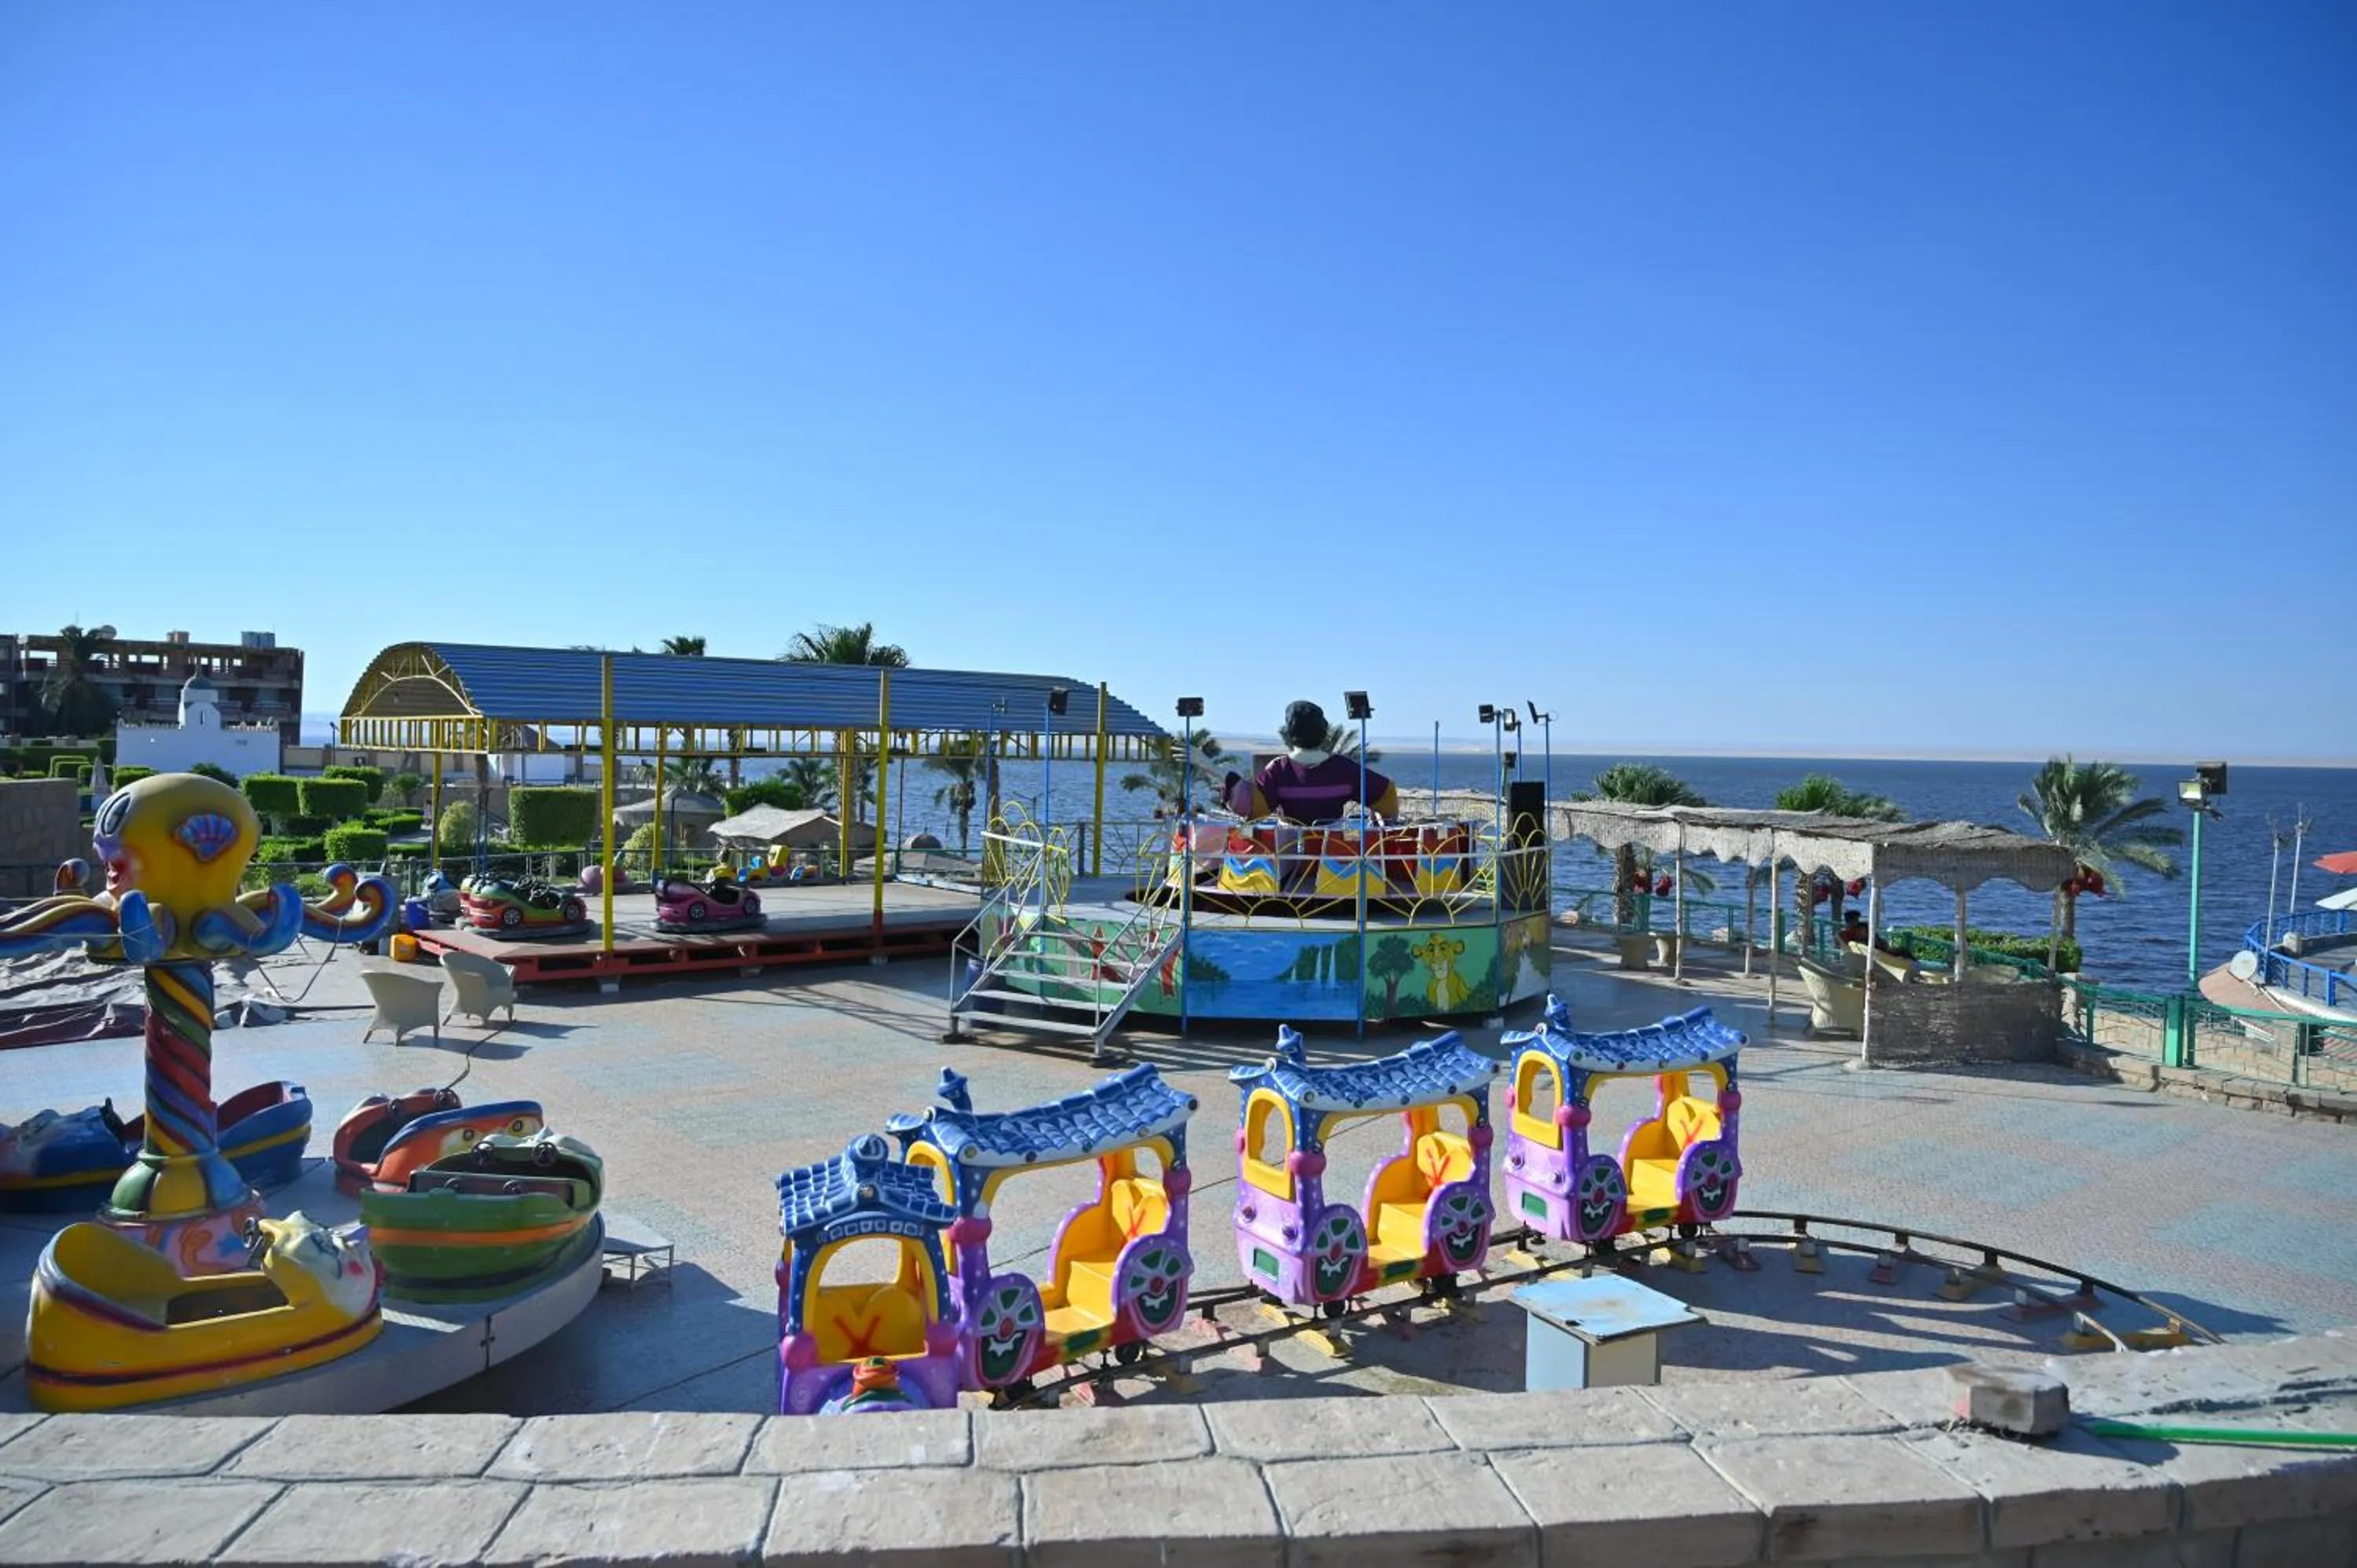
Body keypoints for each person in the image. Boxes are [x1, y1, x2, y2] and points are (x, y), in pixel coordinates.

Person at [1222, 699, 1400, 825]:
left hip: (1288, 848)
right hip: (1332, 848)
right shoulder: (1343, 768)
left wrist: (1234, 785)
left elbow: (1256, 807)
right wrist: (1384, 818)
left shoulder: (1278, 769)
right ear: (1323, 731)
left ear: (1289, 732)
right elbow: (1385, 793)